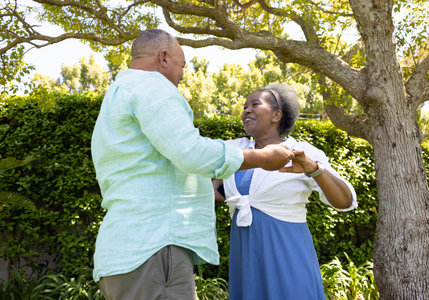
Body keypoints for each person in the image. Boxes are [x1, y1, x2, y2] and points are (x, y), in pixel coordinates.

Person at [90, 29, 296, 300]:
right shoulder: (152, 86)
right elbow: (190, 151)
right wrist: (261, 158)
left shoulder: (117, 96)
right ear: (164, 58)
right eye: (182, 65)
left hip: (125, 253)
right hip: (155, 247)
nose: (182, 75)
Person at [213, 84, 357, 300]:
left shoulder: (301, 151)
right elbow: (214, 190)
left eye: (255, 104)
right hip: (246, 257)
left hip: (288, 254)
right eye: (244, 107)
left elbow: (345, 201)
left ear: (277, 115)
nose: (247, 110)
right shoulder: (234, 150)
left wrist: (314, 169)